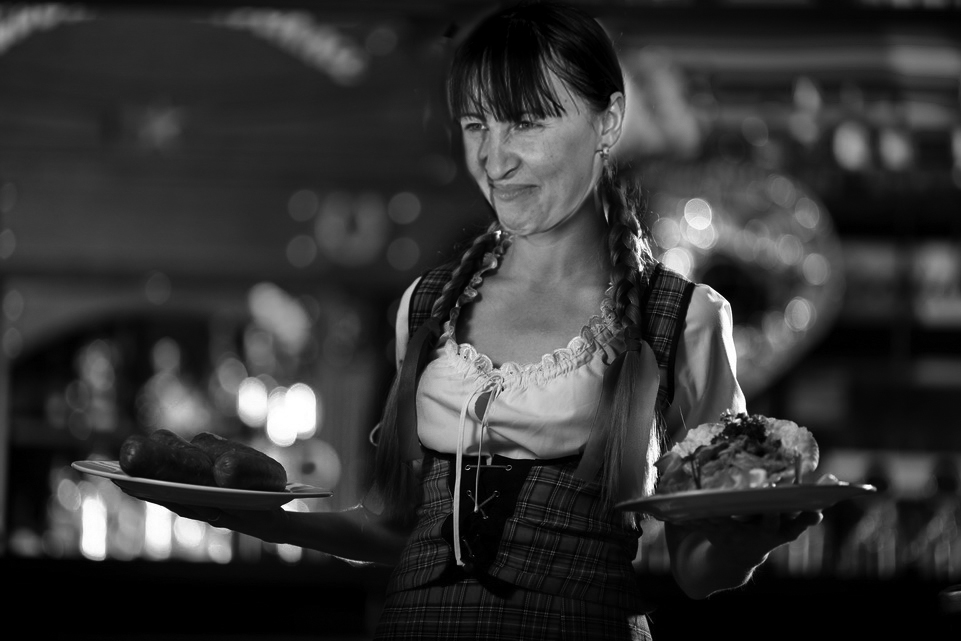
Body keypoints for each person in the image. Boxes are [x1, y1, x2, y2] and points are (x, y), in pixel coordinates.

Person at [157, 2, 822, 638]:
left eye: (526, 123)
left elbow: (697, 570)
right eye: (476, 125)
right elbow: (394, 528)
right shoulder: (426, 306)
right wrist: (259, 519)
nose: (495, 160)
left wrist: (750, 540)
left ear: (608, 122)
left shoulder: (684, 318)